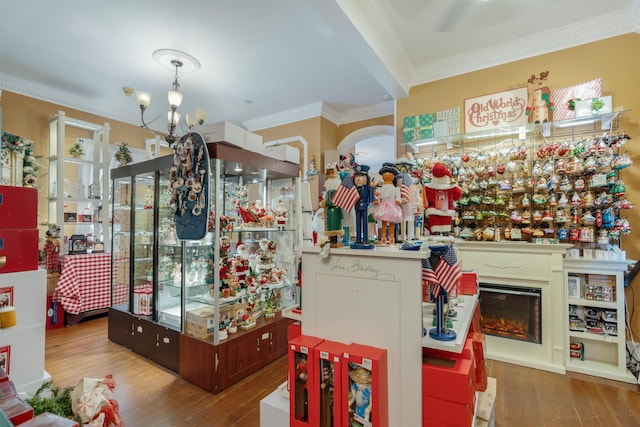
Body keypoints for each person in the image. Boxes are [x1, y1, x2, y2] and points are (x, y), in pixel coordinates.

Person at [423, 162, 462, 235]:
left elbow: (425, 199)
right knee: (446, 228)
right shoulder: (452, 187)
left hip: (433, 211)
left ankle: (436, 233)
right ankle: (446, 233)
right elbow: (457, 196)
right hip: (447, 211)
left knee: (435, 228)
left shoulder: (428, 188)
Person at [373, 163, 402, 245]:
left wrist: (398, 200)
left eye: (390, 174)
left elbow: (398, 196)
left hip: (392, 206)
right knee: (384, 222)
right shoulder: (381, 187)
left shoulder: (396, 188)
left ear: (393, 176)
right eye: (385, 174)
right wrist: (376, 199)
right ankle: (383, 236)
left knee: (392, 221)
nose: (387, 176)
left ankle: (391, 236)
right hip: (384, 206)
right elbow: (378, 195)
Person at [351, 164, 375, 249]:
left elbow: (371, 197)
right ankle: (358, 239)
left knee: (365, 223)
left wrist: (371, 204)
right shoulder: (354, 188)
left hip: (365, 206)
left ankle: (365, 239)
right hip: (357, 206)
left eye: (362, 176)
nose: (359, 179)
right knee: (357, 223)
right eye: (357, 176)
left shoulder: (367, 188)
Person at [320, 163, 344, 247]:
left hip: (333, 210)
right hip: (334, 210)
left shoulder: (331, 190)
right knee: (333, 225)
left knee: (333, 225)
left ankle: (334, 240)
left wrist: (324, 203)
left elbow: (330, 201)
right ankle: (332, 240)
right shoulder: (334, 189)